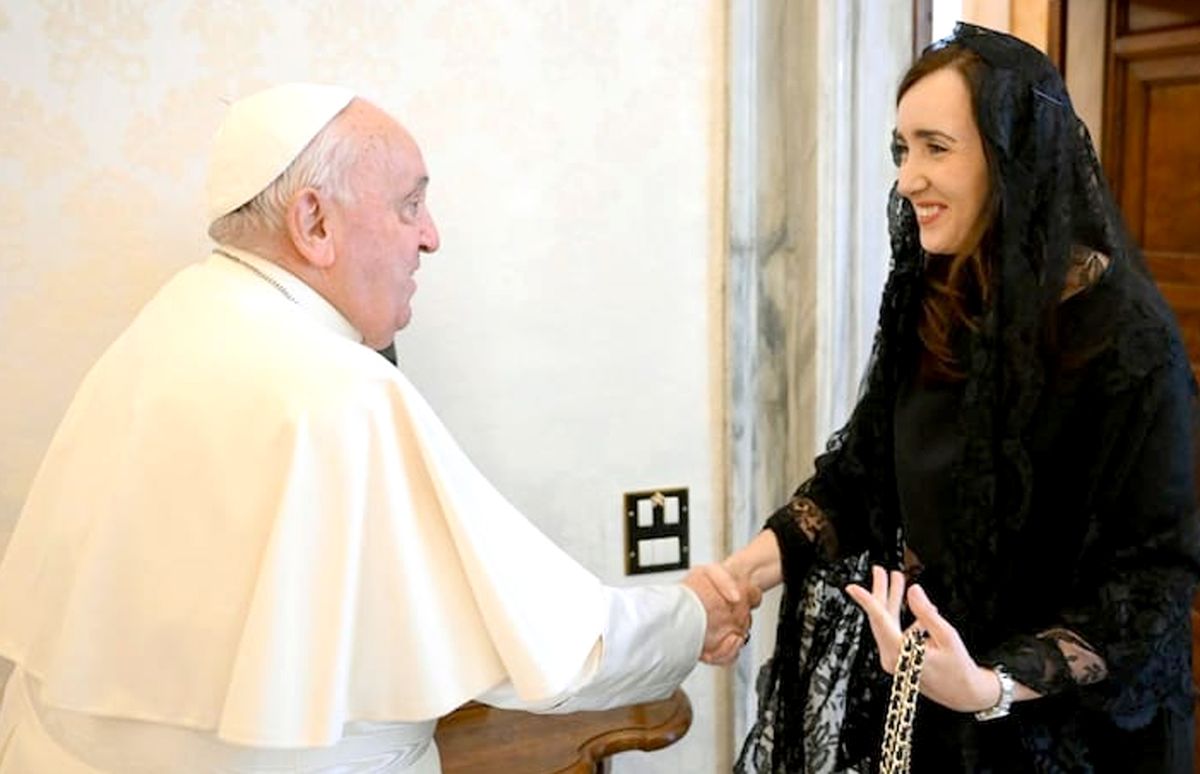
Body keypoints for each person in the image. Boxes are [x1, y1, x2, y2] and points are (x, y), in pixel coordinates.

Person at [0, 83, 757, 773]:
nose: (430, 237)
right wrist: (694, 615)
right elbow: (551, 647)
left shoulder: (170, 317)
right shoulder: (338, 389)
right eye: (409, 206)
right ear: (314, 222)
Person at [718, 23, 1200, 773]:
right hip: (936, 704)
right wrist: (738, 577)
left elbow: (1153, 583)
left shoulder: (1128, 345)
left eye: (936, 147)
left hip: (1075, 738)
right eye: (901, 149)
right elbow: (860, 478)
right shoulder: (937, 298)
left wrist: (993, 684)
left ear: (1013, 161)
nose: (908, 178)